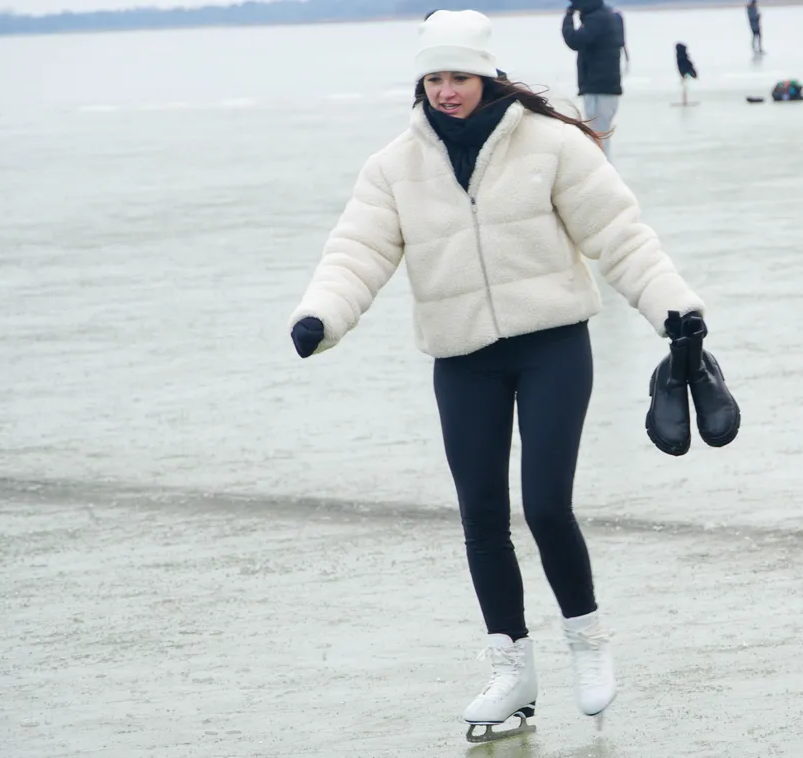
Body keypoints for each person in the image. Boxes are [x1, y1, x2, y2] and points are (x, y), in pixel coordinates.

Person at [286, 8, 716, 742]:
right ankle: (511, 667)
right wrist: (321, 315)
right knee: (481, 517)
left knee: (545, 505)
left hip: (552, 346)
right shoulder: (394, 166)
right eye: (433, 78)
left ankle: (587, 640)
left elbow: (619, 235)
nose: (445, 90)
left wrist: (673, 308)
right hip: (462, 359)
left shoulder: (551, 143)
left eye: (458, 76)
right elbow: (357, 250)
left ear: (486, 77)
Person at [563, 0, 625, 156]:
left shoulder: (597, 19)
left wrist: (568, 16)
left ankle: (602, 169)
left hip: (599, 88)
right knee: (598, 136)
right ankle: (602, 167)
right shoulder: (605, 15)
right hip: (604, 87)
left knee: (597, 137)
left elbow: (574, 40)